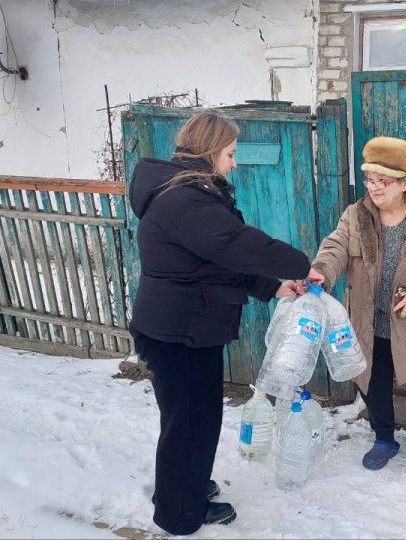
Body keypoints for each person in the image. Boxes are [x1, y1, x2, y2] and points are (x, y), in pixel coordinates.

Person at [127, 110, 310, 535]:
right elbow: (236, 245)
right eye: (230, 153)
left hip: (182, 326)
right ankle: (178, 513)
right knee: (190, 422)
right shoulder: (185, 199)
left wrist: (272, 287)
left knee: (188, 419)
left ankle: (182, 485)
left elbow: (214, 258)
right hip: (180, 331)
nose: (234, 162)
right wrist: (301, 265)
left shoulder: (186, 192)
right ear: (210, 152)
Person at [308, 136, 406, 469]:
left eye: (383, 181)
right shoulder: (356, 215)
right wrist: (322, 270)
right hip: (370, 320)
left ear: (404, 183)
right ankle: (383, 438)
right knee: (372, 382)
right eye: (370, 180)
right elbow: (335, 247)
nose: (373, 188)